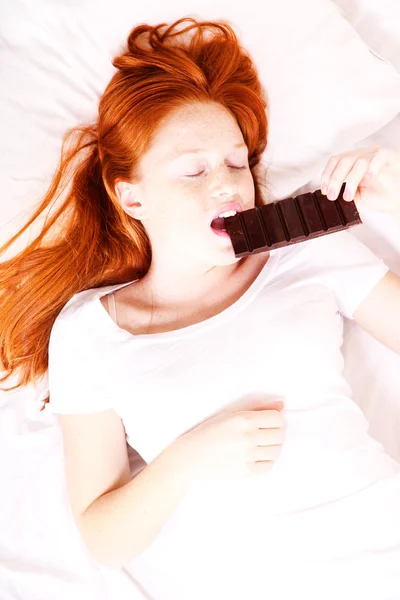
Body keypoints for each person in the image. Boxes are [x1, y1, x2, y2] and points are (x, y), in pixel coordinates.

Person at [1, 16, 400, 600]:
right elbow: (103, 536)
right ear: (131, 195)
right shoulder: (90, 334)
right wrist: (186, 458)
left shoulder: (304, 253)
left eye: (238, 163)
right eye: (195, 169)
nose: (228, 185)